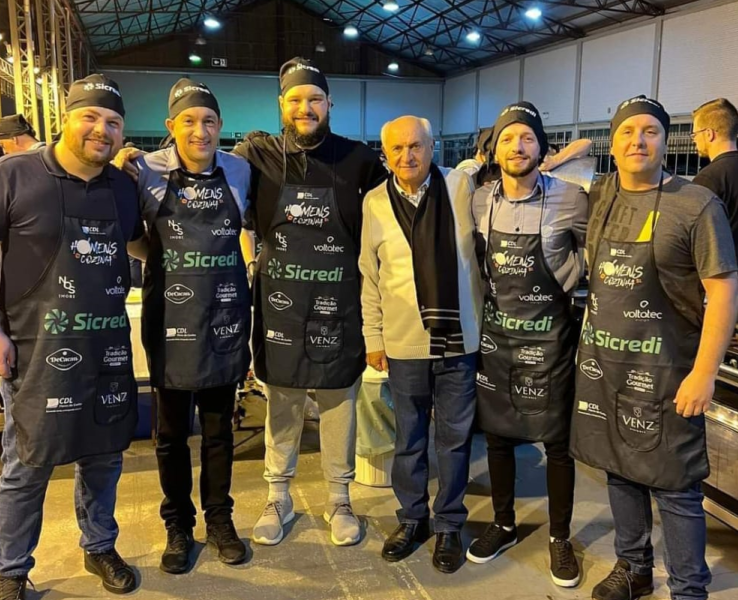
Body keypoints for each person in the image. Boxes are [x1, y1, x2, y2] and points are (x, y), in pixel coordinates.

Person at [570, 95, 738, 600]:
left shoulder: (696, 204)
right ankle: (634, 567)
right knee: (620, 473)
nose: (638, 141)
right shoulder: (600, 195)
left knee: (675, 485)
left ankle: (689, 587)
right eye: (627, 132)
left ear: (670, 141)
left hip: (669, 370)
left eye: (650, 131)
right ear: (613, 143)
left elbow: (725, 291)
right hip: (604, 367)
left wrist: (705, 373)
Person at [231, 57, 386, 547]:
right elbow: (203, 171)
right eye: (295, 100)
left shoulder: (359, 159)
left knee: (339, 400)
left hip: (339, 307)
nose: (306, 107)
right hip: (281, 306)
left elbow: (394, 217)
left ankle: (340, 499)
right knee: (283, 401)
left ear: (329, 104)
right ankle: (278, 496)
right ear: (281, 105)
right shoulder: (258, 158)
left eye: (314, 99)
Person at [0, 74, 141, 599]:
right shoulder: (14, 175)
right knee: (27, 463)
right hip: (34, 349)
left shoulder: (123, 188)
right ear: (65, 117)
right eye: (90, 117)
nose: (100, 130)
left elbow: (140, 246)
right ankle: (11, 568)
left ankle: (99, 545)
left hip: (104, 344)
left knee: (104, 455)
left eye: (112, 122)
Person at [131, 78, 252, 574]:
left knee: (220, 433)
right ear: (170, 127)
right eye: (188, 121)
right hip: (170, 323)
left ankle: (220, 520)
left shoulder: (242, 170)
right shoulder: (143, 170)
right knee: (171, 434)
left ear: (220, 127)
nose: (200, 131)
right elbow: (130, 235)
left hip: (224, 320)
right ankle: (177, 525)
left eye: (208, 121)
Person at [466, 102, 587, 588]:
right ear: (494, 148)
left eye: (527, 138)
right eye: (508, 138)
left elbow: (596, 257)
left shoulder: (573, 199)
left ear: (542, 147)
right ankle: (504, 523)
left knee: (557, 444)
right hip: (497, 339)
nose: (518, 146)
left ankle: (560, 537)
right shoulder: (477, 200)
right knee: (497, 436)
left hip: (553, 339)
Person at [360, 115, 483, 574]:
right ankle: (413, 518)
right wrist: (373, 338)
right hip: (403, 342)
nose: (407, 157)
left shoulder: (462, 187)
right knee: (409, 440)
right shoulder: (374, 203)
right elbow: (369, 279)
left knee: (454, 440)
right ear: (385, 154)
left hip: (459, 341)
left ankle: (449, 523)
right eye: (397, 150)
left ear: (433, 147)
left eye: (416, 146)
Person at [691, 98, 738, 258]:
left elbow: (697, 235)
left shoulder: (708, 178)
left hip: (725, 272)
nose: (694, 140)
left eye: (695, 134)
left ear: (709, 134)